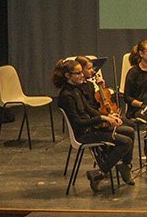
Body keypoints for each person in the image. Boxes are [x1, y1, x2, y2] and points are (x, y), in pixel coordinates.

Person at [54, 59, 135, 192]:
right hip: (83, 134)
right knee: (126, 142)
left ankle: (125, 166)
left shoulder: (77, 89)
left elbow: (89, 109)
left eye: (82, 72)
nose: (82, 75)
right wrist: (101, 118)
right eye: (78, 73)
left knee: (130, 131)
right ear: (68, 76)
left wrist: (109, 116)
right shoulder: (66, 96)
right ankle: (100, 173)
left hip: (91, 128)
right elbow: (78, 122)